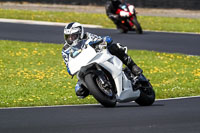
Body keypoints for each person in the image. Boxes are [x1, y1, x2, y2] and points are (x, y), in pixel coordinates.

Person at [62, 22, 142, 98]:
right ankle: (98, 89)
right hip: (82, 68)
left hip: (96, 58)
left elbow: (100, 40)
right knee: (79, 91)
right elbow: (67, 64)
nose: (70, 39)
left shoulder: (88, 36)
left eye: (73, 36)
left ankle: (132, 66)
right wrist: (70, 70)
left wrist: (104, 41)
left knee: (114, 47)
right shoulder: (65, 50)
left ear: (80, 34)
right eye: (68, 36)